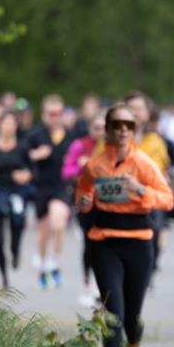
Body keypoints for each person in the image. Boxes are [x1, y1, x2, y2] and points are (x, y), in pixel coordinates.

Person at [76, 104, 174, 347]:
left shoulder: (143, 163)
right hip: (104, 242)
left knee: (132, 317)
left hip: (138, 243)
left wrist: (140, 190)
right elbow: (83, 192)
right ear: (107, 129)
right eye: (117, 125)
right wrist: (84, 202)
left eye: (128, 126)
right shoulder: (95, 165)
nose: (122, 130)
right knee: (112, 312)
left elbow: (167, 200)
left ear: (133, 131)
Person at [0, 110, 34, 290]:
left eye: (12, 123)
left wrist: (26, 174)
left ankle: (16, 251)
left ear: (16, 126)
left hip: (17, 194)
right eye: (6, 123)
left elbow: (33, 170)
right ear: (0, 125)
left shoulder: (23, 147)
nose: (9, 127)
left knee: (16, 230)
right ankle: (4, 278)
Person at [28, 94, 75, 289]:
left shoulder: (71, 135)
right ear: (44, 114)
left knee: (59, 223)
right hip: (41, 186)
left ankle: (54, 263)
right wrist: (37, 154)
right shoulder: (36, 135)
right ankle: (42, 262)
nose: (55, 116)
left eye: (58, 113)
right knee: (44, 230)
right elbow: (22, 156)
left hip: (62, 187)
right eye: (51, 113)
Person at [63, 109, 107, 308]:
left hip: (108, 200)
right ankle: (87, 283)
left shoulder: (113, 147)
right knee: (89, 243)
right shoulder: (79, 146)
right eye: (96, 128)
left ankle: (101, 283)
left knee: (106, 242)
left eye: (104, 128)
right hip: (85, 200)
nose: (100, 132)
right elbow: (66, 172)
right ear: (90, 129)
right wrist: (81, 166)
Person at [126, 91, 173, 273]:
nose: (136, 112)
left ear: (147, 113)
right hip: (121, 202)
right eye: (131, 108)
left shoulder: (155, 141)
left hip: (148, 201)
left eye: (139, 108)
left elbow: (159, 171)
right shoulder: (114, 138)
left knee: (149, 246)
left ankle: (144, 273)